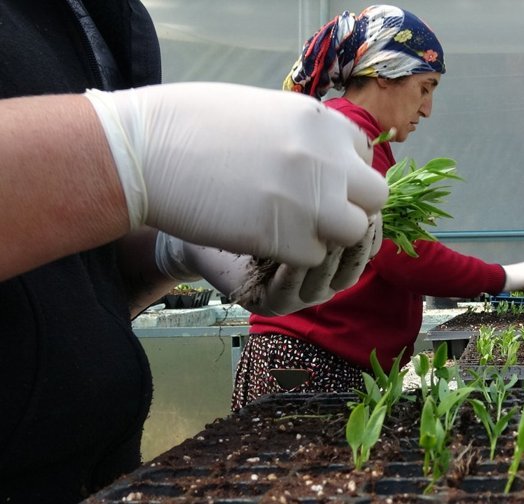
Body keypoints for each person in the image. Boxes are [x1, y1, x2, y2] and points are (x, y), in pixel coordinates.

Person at [0, 1, 388, 502]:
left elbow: (71, 285)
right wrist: (117, 153)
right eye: (424, 88)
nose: (427, 109)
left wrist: (172, 247)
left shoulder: (102, 16)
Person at [231, 5, 524, 410]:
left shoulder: (358, 136)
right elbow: (402, 257)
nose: (427, 109)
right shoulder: (344, 134)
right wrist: (503, 276)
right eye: (425, 87)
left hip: (317, 357)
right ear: (385, 75)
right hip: (308, 360)